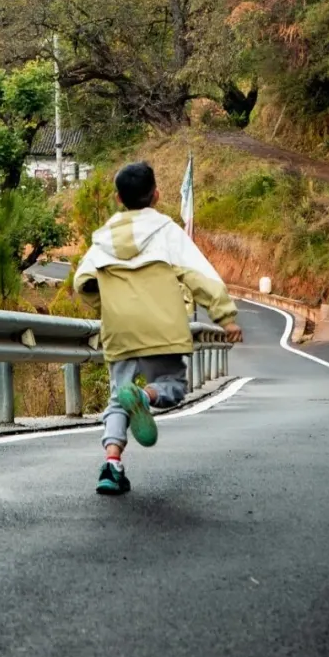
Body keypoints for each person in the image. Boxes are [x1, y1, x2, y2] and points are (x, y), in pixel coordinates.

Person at [73, 159, 243, 496]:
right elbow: (199, 276)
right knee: (172, 386)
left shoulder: (103, 237)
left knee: (116, 397)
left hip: (120, 329)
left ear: (118, 198)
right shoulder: (166, 231)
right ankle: (145, 394)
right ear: (157, 195)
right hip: (162, 327)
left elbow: (83, 283)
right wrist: (225, 316)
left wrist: (108, 304)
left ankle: (112, 465)